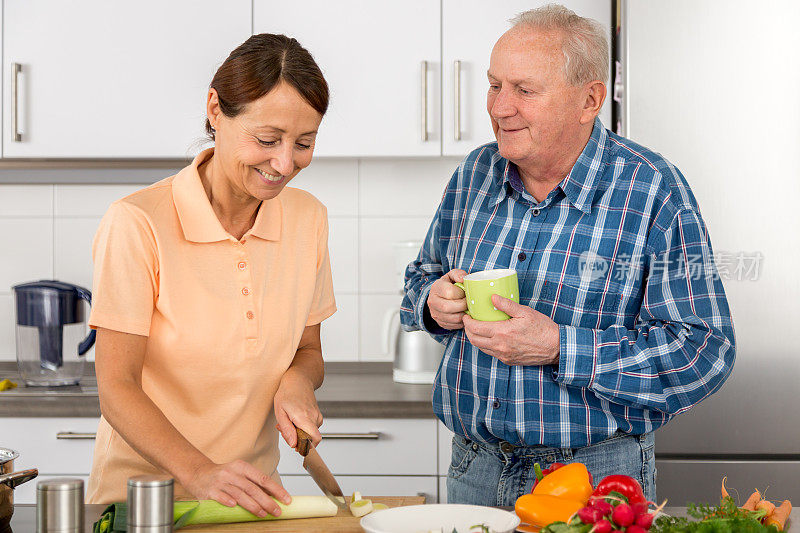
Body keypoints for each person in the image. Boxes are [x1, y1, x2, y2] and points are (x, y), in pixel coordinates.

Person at [400, 5, 735, 506]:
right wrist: (433, 301)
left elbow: (705, 352)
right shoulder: (475, 173)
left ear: (590, 99)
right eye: (494, 86)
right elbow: (419, 279)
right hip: (475, 469)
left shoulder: (652, 190)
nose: (498, 108)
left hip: (595, 478)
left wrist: (561, 347)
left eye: (524, 90)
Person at [86, 34, 335, 518]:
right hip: (141, 503)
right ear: (216, 110)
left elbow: (308, 352)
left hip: (253, 501)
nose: (285, 164)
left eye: (304, 143)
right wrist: (199, 472)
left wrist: (297, 383)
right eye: (267, 140)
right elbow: (116, 386)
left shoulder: (309, 219)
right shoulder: (138, 222)